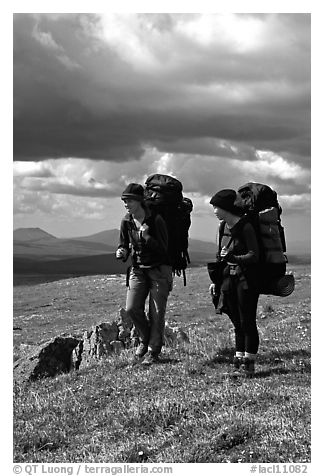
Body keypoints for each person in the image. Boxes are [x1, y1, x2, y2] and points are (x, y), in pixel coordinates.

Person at [116, 183, 173, 365]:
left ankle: (153, 350)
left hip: (159, 270)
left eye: (130, 200)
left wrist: (146, 237)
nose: (126, 204)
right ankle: (144, 339)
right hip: (138, 269)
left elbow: (165, 251)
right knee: (132, 308)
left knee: (156, 313)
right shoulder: (127, 221)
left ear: (140, 201)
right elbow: (124, 244)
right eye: (124, 201)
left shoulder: (155, 220)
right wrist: (122, 252)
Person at [209, 189, 260, 377]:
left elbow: (254, 256)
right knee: (237, 321)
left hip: (246, 280)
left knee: (247, 320)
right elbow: (220, 256)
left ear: (226, 208)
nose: (214, 210)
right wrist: (216, 281)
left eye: (216, 207)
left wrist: (233, 257)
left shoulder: (245, 227)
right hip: (229, 278)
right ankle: (239, 359)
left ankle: (249, 363)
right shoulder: (223, 227)